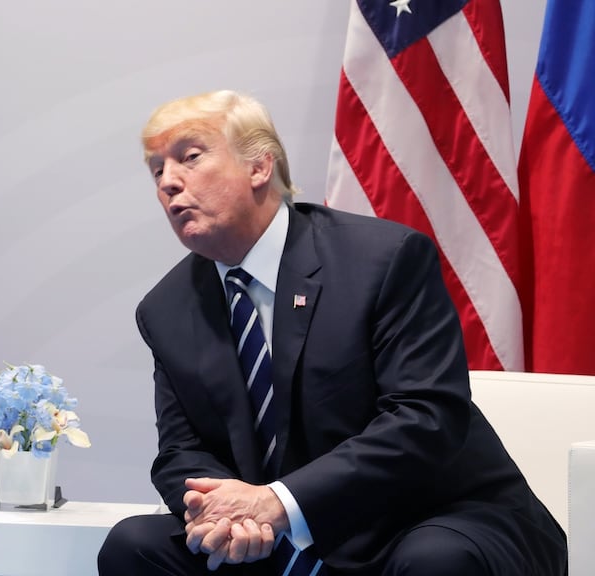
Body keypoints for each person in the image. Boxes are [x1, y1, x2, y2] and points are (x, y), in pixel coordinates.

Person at [97, 91, 567, 575]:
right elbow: (180, 450)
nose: (169, 182)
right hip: (272, 535)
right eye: (157, 170)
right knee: (133, 544)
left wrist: (279, 503)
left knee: (432, 561)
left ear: (260, 167)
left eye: (189, 158)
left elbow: (425, 417)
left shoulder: (382, 259)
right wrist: (224, 513)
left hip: (422, 515)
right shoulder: (166, 309)